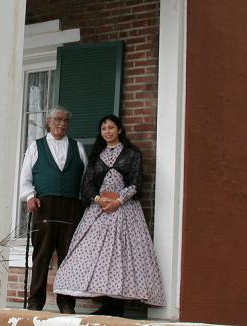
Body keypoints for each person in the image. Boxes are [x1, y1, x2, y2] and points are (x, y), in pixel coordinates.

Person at [53, 114, 165, 317]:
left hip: (124, 210)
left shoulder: (131, 154)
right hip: (99, 210)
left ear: (119, 130)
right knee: (95, 257)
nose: (107, 131)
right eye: (104, 128)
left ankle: (117, 307)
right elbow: (86, 184)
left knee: (120, 257)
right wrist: (98, 200)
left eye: (111, 127)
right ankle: (106, 304)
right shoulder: (96, 155)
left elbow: (136, 182)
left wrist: (118, 201)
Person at [19, 106, 87, 313]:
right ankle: (35, 302)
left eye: (66, 120)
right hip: (44, 206)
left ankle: (66, 303)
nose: (62, 124)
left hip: (71, 208)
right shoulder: (35, 147)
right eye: (58, 119)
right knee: (41, 256)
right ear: (48, 121)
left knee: (68, 258)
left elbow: (85, 180)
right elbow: (26, 179)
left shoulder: (78, 148)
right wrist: (30, 196)